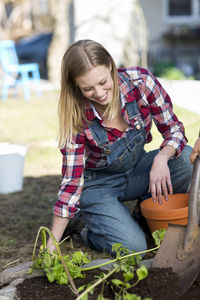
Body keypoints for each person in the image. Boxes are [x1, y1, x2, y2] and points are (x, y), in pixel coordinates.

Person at [47, 39, 193, 255]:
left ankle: (143, 216)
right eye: (87, 88)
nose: (98, 93)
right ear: (76, 86)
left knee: (185, 159)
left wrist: (162, 157)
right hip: (99, 186)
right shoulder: (76, 117)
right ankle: (86, 226)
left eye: (103, 81)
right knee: (134, 248)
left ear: (111, 67)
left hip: (137, 170)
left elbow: (174, 130)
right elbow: (71, 183)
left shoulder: (141, 82)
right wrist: (51, 245)